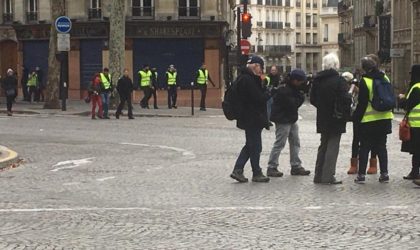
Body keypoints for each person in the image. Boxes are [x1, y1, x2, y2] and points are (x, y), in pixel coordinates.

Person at [230, 55, 270, 183]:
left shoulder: (244, 78)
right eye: (261, 67)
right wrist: (269, 93)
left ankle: (242, 170)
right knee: (255, 146)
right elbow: (258, 98)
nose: (261, 71)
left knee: (251, 145)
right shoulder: (248, 79)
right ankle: (253, 172)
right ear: (256, 66)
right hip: (252, 117)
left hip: (250, 117)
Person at [353, 56, 393, 183]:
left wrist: (355, 118)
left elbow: (362, 103)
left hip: (369, 120)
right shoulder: (385, 77)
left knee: (364, 147)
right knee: (382, 146)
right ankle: (384, 174)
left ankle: (361, 175)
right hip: (385, 118)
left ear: (365, 68)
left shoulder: (365, 81)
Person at [310, 53, 348, 185]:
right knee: (333, 146)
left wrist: (322, 107)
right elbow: (345, 99)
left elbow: (313, 99)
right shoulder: (339, 80)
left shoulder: (318, 80)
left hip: (323, 116)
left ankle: (318, 175)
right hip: (336, 117)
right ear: (336, 65)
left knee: (323, 145)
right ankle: (328, 176)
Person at [266, 69, 311, 177]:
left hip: (290, 118)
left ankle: (295, 165)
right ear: (295, 80)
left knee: (295, 142)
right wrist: (301, 95)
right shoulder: (285, 90)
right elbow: (293, 104)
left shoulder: (290, 88)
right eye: (300, 81)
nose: (301, 84)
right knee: (280, 143)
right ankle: (272, 166)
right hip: (283, 119)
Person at [344, 71, 379, 175]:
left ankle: (373, 164)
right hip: (358, 116)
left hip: (371, 115)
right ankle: (354, 164)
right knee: (356, 140)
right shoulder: (356, 83)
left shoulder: (373, 81)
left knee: (373, 141)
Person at [399, 64, 420, 184]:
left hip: (416, 124)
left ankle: (415, 172)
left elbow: (407, 105)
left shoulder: (415, 87)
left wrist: (402, 98)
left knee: (416, 150)